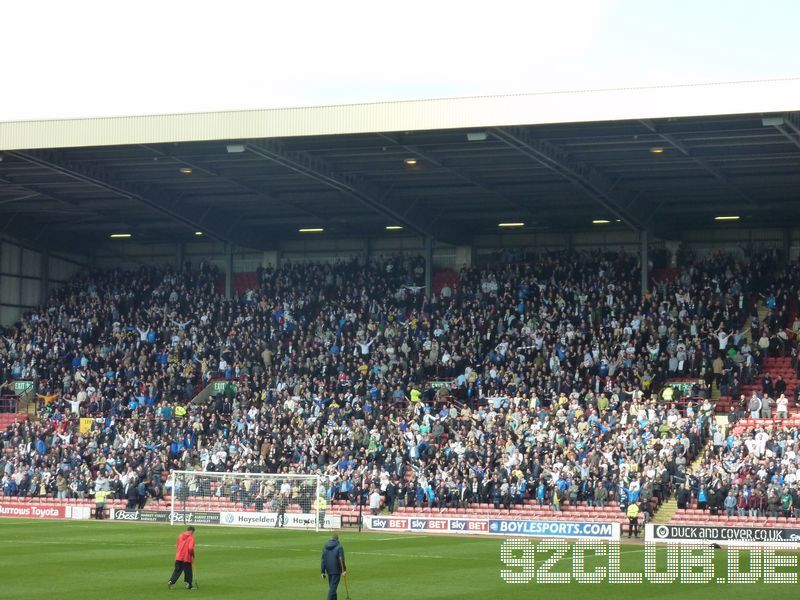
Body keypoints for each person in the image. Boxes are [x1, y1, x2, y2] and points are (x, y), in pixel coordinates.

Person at [168, 526, 196, 590]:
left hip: (179, 557)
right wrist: (192, 554)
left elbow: (177, 545)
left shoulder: (180, 536)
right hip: (186, 557)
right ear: (191, 531)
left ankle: (171, 582)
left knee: (177, 571)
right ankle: (188, 585)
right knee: (188, 571)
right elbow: (190, 548)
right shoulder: (191, 538)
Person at [321, 534, 346, 600]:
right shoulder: (339, 546)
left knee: (332, 588)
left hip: (328, 570)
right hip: (336, 570)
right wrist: (344, 570)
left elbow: (323, 560)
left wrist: (322, 571)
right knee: (332, 589)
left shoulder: (325, 546)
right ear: (337, 539)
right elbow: (341, 559)